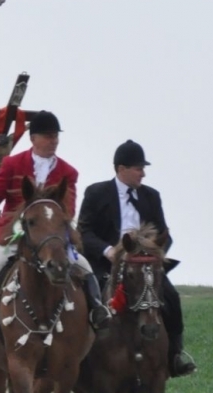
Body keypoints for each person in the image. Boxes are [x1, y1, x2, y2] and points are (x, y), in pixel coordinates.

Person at [0, 111, 108, 348]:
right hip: (11, 234)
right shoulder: (12, 163)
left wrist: (51, 224)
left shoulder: (68, 172)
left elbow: (69, 208)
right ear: (33, 139)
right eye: (48, 136)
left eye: (55, 136)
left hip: (50, 235)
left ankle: (97, 310)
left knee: (84, 265)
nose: (54, 141)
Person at [79, 140, 196, 377]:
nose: (143, 174)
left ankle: (175, 354)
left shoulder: (151, 196)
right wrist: (108, 251)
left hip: (143, 266)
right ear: (121, 169)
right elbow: (84, 232)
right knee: (85, 299)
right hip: (107, 264)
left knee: (171, 297)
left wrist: (154, 253)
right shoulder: (96, 193)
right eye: (138, 168)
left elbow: (164, 233)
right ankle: (78, 359)